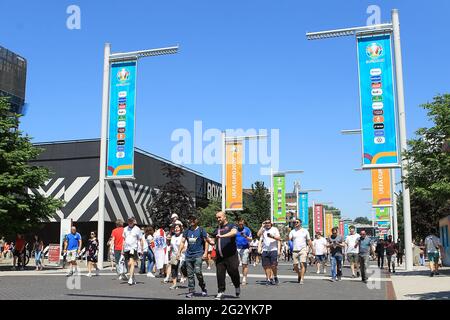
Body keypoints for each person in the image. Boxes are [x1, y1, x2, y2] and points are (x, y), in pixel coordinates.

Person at [176, 215, 210, 298]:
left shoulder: (201, 230)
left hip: (198, 254)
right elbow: (182, 242)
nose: (191, 221)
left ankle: (203, 288)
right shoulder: (187, 231)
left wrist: (205, 253)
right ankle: (191, 290)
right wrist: (179, 252)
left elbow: (206, 242)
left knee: (198, 272)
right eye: (190, 219)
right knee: (190, 274)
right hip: (188, 255)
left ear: (197, 220)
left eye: (193, 219)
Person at [211, 211, 241, 300]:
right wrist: (208, 240)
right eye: (217, 218)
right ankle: (220, 291)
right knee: (220, 274)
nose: (218, 219)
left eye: (219, 217)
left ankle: (237, 286)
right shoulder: (217, 229)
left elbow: (234, 232)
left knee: (233, 272)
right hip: (220, 256)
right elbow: (213, 241)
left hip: (231, 255)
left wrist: (222, 236)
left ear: (225, 217)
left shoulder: (231, 225)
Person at [257, 219, 281, 286]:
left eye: (268, 223)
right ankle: (268, 279)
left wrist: (272, 236)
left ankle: (275, 276)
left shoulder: (274, 229)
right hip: (265, 250)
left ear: (271, 223)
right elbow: (258, 235)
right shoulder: (263, 230)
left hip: (273, 249)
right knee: (266, 266)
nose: (267, 224)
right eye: (266, 223)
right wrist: (262, 227)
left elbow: (279, 238)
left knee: (273, 265)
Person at [289, 219, 312, 285]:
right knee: (295, 266)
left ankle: (302, 278)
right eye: (294, 222)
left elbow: (309, 240)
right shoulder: (292, 231)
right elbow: (289, 239)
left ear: (300, 223)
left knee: (302, 264)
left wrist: (313, 249)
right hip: (295, 250)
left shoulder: (305, 231)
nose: (295, 223)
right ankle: (299, 274)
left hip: (303, 249)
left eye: (297, 222)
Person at [122, 217, 144, 285]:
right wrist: (122, 249)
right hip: (126, 248)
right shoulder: (125, 229)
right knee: (129, 264)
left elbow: (141, 239)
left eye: (131, 221)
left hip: (133, 248)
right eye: (129, 221)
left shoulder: (137, 229)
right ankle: (133, 277)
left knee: (131, 263)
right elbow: (123, 239)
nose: (130, 222)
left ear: (134, 221)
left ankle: (130, 278)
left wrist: (142, 249)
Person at [235, 218, 252, 285]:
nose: (241, 225)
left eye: (242, 224)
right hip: (236, 248)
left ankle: (244, 278)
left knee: (244, 264)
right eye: (240, 224)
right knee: (235, 265)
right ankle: (236, 279)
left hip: (245, 249)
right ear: (238, 223)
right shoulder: (235, 229)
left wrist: (245, 236)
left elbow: (250, 239)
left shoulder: (247, 229)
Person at [169, 224, 184, 290]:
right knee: (174, 269)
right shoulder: (173, 237)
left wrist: (180, 253)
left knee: (183, 268)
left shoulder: (183, 236)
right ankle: (174, 284)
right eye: (175, 228)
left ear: (180, 229)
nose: (176, 229)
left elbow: (185, 246)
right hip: (174, 254)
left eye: (177, 228)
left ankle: (184, 276)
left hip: (182, 255)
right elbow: (171, 247)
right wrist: (170, 255)